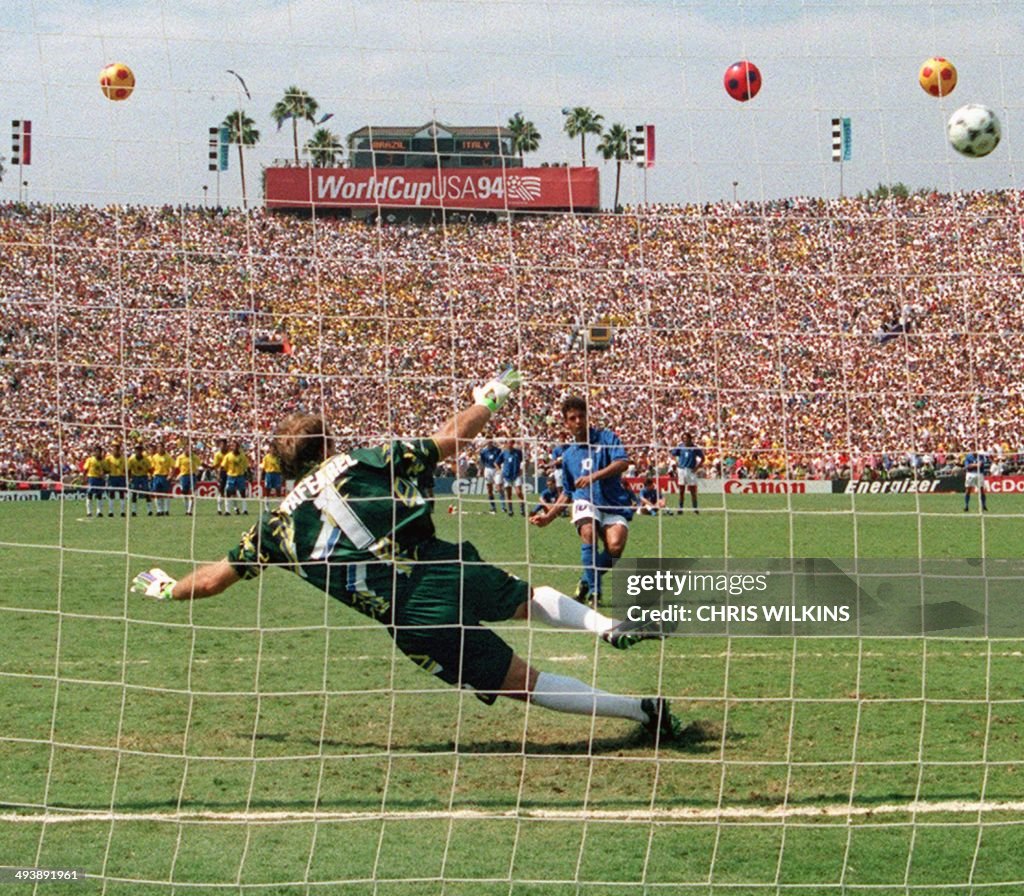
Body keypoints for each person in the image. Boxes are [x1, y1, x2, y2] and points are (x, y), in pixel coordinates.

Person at [132, 369, 682, 744]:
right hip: (436, 563)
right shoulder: (359, 461)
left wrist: (167, 587)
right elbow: (449, 438)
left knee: (521, 681)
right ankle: (607, 626)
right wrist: (490, 398)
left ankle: (640, 711)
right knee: (529, 600)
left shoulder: (275, 527)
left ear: (285, 466)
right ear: (328, 446)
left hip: (407, 617)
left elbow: (210, 582)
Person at [531, 396, 635, 606]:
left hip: (612, 502)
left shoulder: (607, 438)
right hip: (585, 501)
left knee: (615, 547)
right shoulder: (568, 455)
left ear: (588, 417)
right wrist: (548, 517)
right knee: (588, 532)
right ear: (566, 423)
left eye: (581, 416)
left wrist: (593, 476)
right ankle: (596, 593)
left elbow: (623, 462)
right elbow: (567, 492)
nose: (578, 421)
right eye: (573, 418)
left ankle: (586, 580)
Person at [669, 433, 704, 514]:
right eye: (683, 438)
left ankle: (695, 508)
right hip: (682, 470)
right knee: (681, 491)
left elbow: (703, 458)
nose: (685, 439)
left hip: (691, 470)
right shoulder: (680, 446)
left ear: (690, 438)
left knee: (693, 491)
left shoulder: (694, 448)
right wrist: (676, 461)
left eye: (686, 438)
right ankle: (680, 508)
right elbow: (672, 454)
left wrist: (697, 467)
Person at [221, 440, 250, 515]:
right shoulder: (228, 456)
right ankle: (227, 510)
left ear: (238, 447)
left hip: (240, 475)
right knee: (228, 492)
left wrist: (249, 474)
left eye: (236, 446)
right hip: (231, 476)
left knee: (242, 492)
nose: (234, 448)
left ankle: (245, 509)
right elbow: (223, 466)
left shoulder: (242, 456)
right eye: (233, 446)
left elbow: (246, 466)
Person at [499, 439, 526, 517]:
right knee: (508, 494)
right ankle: (510, 510)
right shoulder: (504, 453)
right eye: (508, 443)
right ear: (506, 444)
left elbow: (523, 461)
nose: (510, 444)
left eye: (511, 443)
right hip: (507, 476)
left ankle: (522, 509)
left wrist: (521, 469)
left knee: (518, 492)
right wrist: (500, 471)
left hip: (516, 475)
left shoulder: (518, 452)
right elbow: (497, 462)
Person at [175, 441, 202, 516]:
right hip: (184, 476)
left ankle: (190, 510)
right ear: (184, 449)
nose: (189, 450)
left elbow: (199, 465)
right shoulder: (180, 457)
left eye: (190, 449)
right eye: (187, 449)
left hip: (192, 475)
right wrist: (177, 476)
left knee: (193, 492)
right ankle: (187, 508)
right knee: (184, 493)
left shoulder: (195, 457)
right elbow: (177, 467)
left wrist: (198, 471)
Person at [149, 441, 175, 516]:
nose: (159, 448)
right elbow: (151, 467)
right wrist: (151, 475)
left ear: (163, 448)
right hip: (157, 476)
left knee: (165, 493)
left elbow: (173, 467)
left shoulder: (168, 457)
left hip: (165, 476)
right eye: (158, 447)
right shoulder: (154, 457)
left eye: (161, 447)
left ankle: (166, 510)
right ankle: (159, 510)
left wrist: (170, 476)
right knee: (156, 494)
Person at [127, 444, 153, 516]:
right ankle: (134, 510)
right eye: (137, 450)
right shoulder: (131, 459)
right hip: (135, 476)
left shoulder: (146, 459)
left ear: (142, 451)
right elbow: (129, 470)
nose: (138, 451)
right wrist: (129, 478)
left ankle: (149, 510)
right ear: (135, 451)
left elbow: (150, 469)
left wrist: (151, 476)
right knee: (134, 493)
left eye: (140, 450)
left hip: (144, 476)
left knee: (146, 492)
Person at [478, 440, 504, 513]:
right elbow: (482, 462)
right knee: (489, 489)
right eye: (487, 440)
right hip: (488, 469)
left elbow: (501, 459)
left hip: (496, 470)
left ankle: (503, 506)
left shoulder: (497, 450)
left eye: (490, 440)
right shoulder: (483, 451)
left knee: (499, 488)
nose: (489, 442)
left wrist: (500, 468)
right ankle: (493, 507)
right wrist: (480, 470)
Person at [82, 445, 107, 518]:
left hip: (100, 479)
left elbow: (106, 469)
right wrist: (84, 478)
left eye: (99, 452)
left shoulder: (103, 461)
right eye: (96, 451)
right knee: (90, 494)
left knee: (99, 495)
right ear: (94, 452)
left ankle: (99, 511)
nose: (98, 453)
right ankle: (89, 512)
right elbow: (85, 469)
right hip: (92, 478)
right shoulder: (90, 460)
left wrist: (104, 473)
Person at [104, 443, 129, 517]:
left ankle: (122, 511)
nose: (115, 451)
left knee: (122, 494)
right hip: (112, 477)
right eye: (114, 449)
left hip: (121, 477)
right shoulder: (108, 458)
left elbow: (126, 469)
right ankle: (110, 511)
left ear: (119, 450)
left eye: (117, 449)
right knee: (111, 494)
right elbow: (105, 468)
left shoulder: (123, 458)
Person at [963, 448, 989, 512]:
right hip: (970, 474)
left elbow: (980, 465)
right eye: (972, 447)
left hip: (979, 473)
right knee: (968, 490)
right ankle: (966, 505)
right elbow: (967, 466)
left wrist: (972, 465)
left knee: (981, 489)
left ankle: (983, 505)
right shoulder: (968, 456)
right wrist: (975, 465)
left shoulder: (980, 456)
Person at [212, 438, 229, 515]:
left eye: (224, 445)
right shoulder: (217, 454)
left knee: (229, 491)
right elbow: (215, 466)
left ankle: (230, 509)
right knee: (221, 490)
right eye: (221, 445)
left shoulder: (229, 454)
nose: (222, 446)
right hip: (221, 473)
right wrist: (217, 475)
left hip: (229, 473)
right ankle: (219, 508)